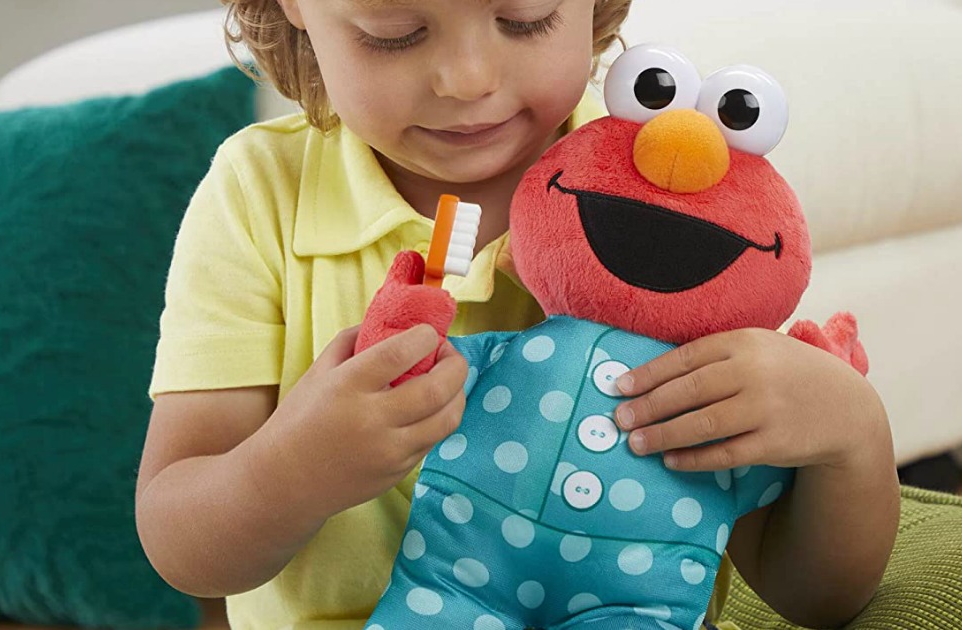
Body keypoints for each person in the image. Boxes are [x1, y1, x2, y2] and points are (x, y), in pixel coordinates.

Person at [134, 1, 900, 628]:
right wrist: (294, 471)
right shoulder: (257, 192)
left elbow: (815, 598)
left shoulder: (657, 196)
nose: (468, 80)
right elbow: (180, 542)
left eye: (526, 18)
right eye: (392, 32)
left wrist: (853, 437)